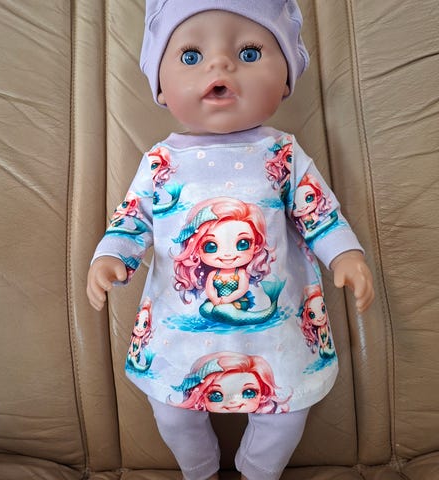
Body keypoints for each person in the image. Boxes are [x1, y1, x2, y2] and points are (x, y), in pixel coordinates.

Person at [87, 1, 375, 479]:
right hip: (178, 336)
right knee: (172, 412)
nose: (220, 64)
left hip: (277, 335)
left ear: (285, 80)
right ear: (161, 88)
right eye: (191, 56)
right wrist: (111, 256)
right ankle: (199, 470)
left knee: (286, 413)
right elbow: (132, 218)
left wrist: (344, 254)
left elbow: (319, 213)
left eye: (249, 52)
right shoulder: (161, 162)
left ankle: (259, 471)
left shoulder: (282, 154)